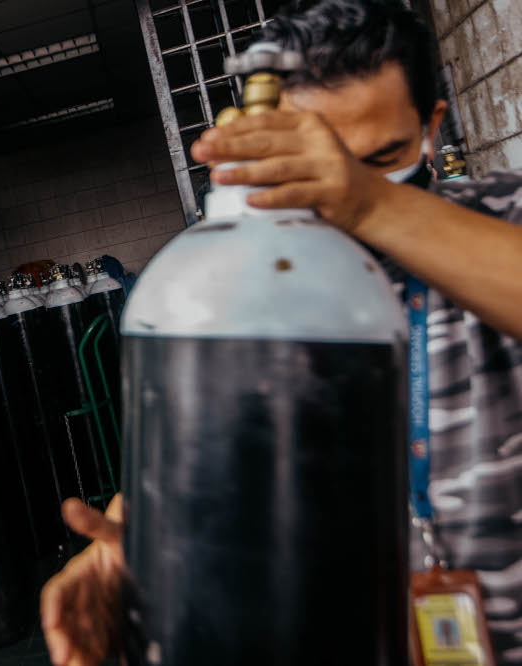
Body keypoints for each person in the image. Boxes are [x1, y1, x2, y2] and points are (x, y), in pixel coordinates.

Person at [40, 1, 522, 664]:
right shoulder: (248, 278)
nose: (337, 200)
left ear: (432, 126)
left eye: (379, 159)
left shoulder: (504, 220)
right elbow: (217, 436)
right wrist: (137, 543)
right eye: (315, 166)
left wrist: (371, 202)